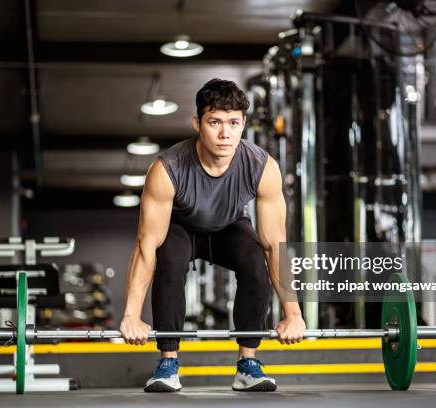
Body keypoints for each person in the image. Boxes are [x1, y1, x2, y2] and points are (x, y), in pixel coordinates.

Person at [120, 78, 306, 392]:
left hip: (228, 227)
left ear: (243, 124)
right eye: (215, 122)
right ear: (198, 123)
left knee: (254, 260)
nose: (225, 133)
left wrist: (294, 314)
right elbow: (146, 245)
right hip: (181, 226)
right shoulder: (168, 168)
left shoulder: (262, 167)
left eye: (233, 123)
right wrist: (131, 315)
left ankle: (248, 363)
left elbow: (275, 245)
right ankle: (168, 363)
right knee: (168, 257)